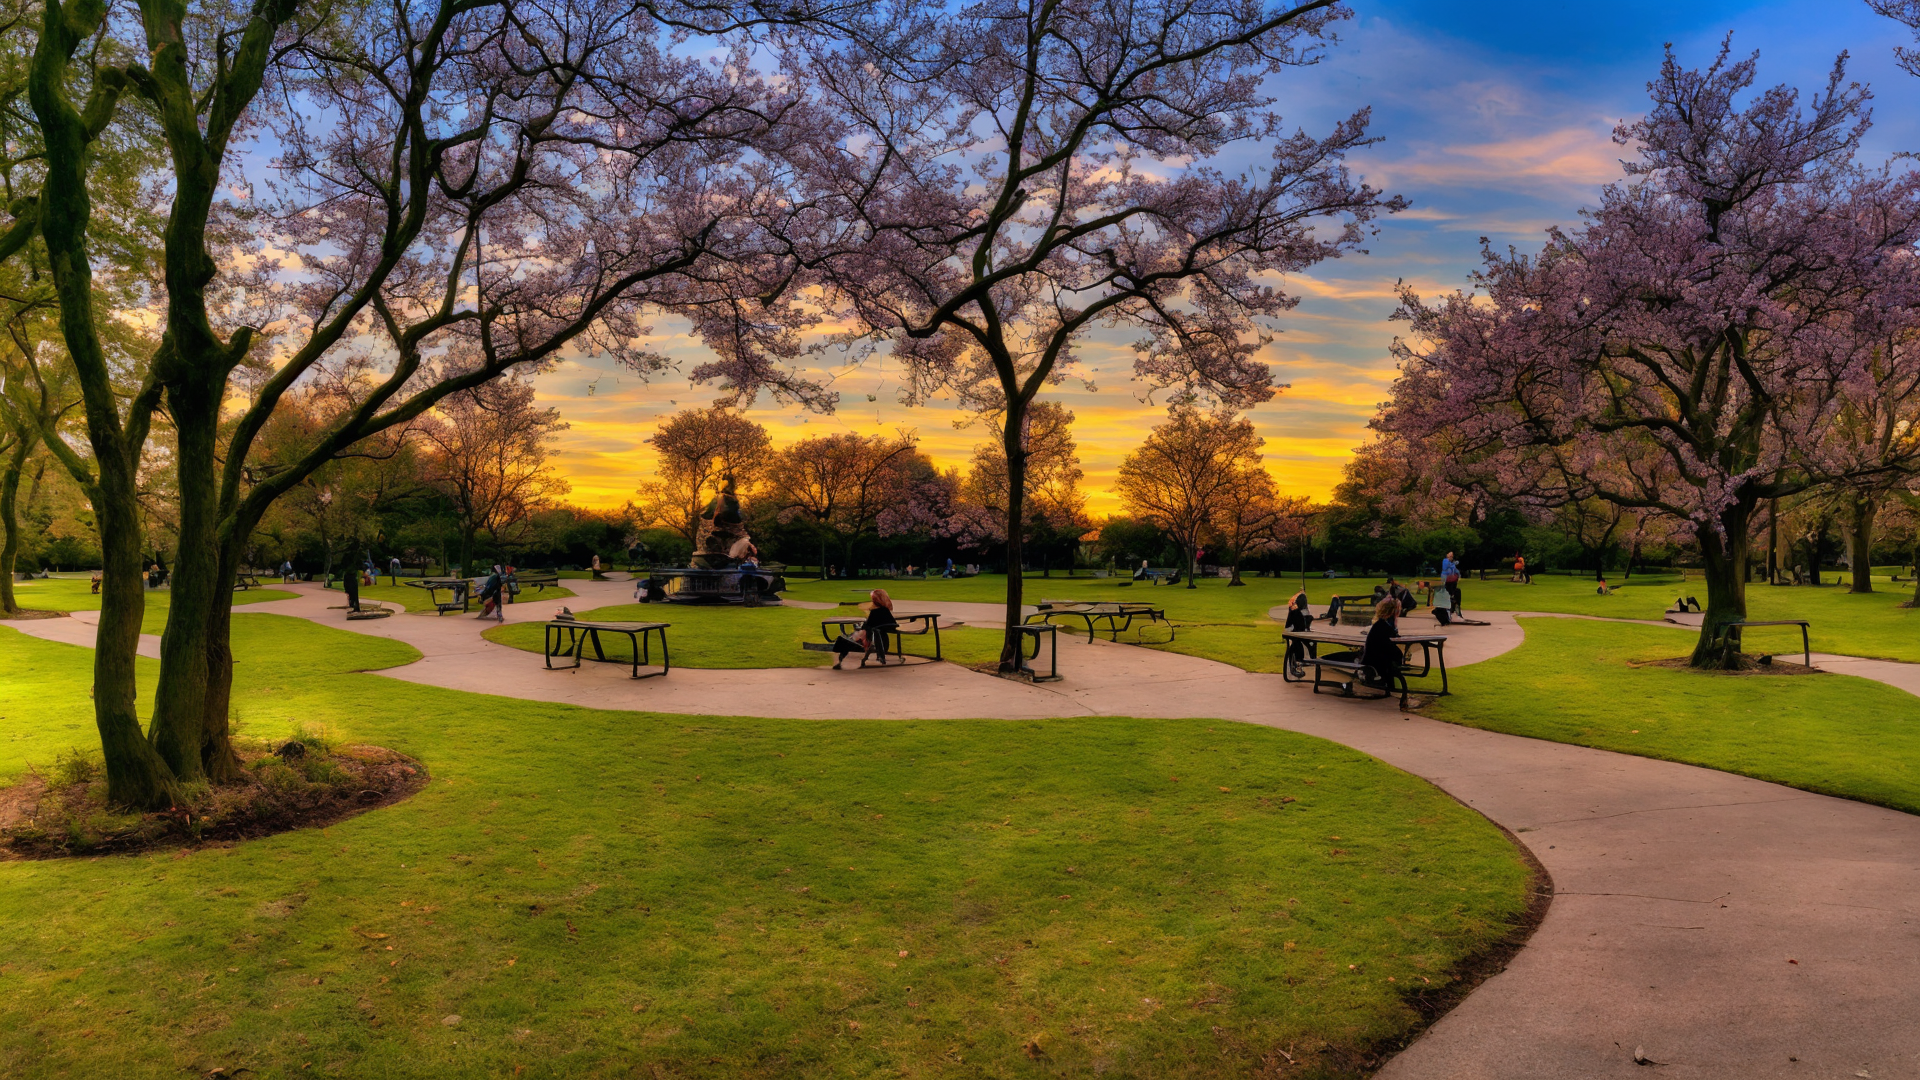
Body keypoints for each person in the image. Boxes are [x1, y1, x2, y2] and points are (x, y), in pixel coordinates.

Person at [833, 588, 899, 669]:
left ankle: (840, 661)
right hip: (875, 638)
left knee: (846, 640)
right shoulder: (885, 611)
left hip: (868, 638)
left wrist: (859, 629)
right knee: (851, 638)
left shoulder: (875, 612)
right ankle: (842, 658)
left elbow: (867, 626)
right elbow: (891, 625)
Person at [1361, 596, 1404, 692]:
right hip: (1376, 661)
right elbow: (1388, 646)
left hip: (1374, 659)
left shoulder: (1382, 624)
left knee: (1392, 661)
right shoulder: (1385, 626)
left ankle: (1390, 687)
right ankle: (1390, 688)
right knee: (1393, 662)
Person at [1283, 590, 1314, 676]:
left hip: (1297, 632)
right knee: (1297, 643)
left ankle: (1300, 661)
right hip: (1296, 633)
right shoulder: (1297, 613)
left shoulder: (1298, 612)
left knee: (1299, 643)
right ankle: (1298, 662)